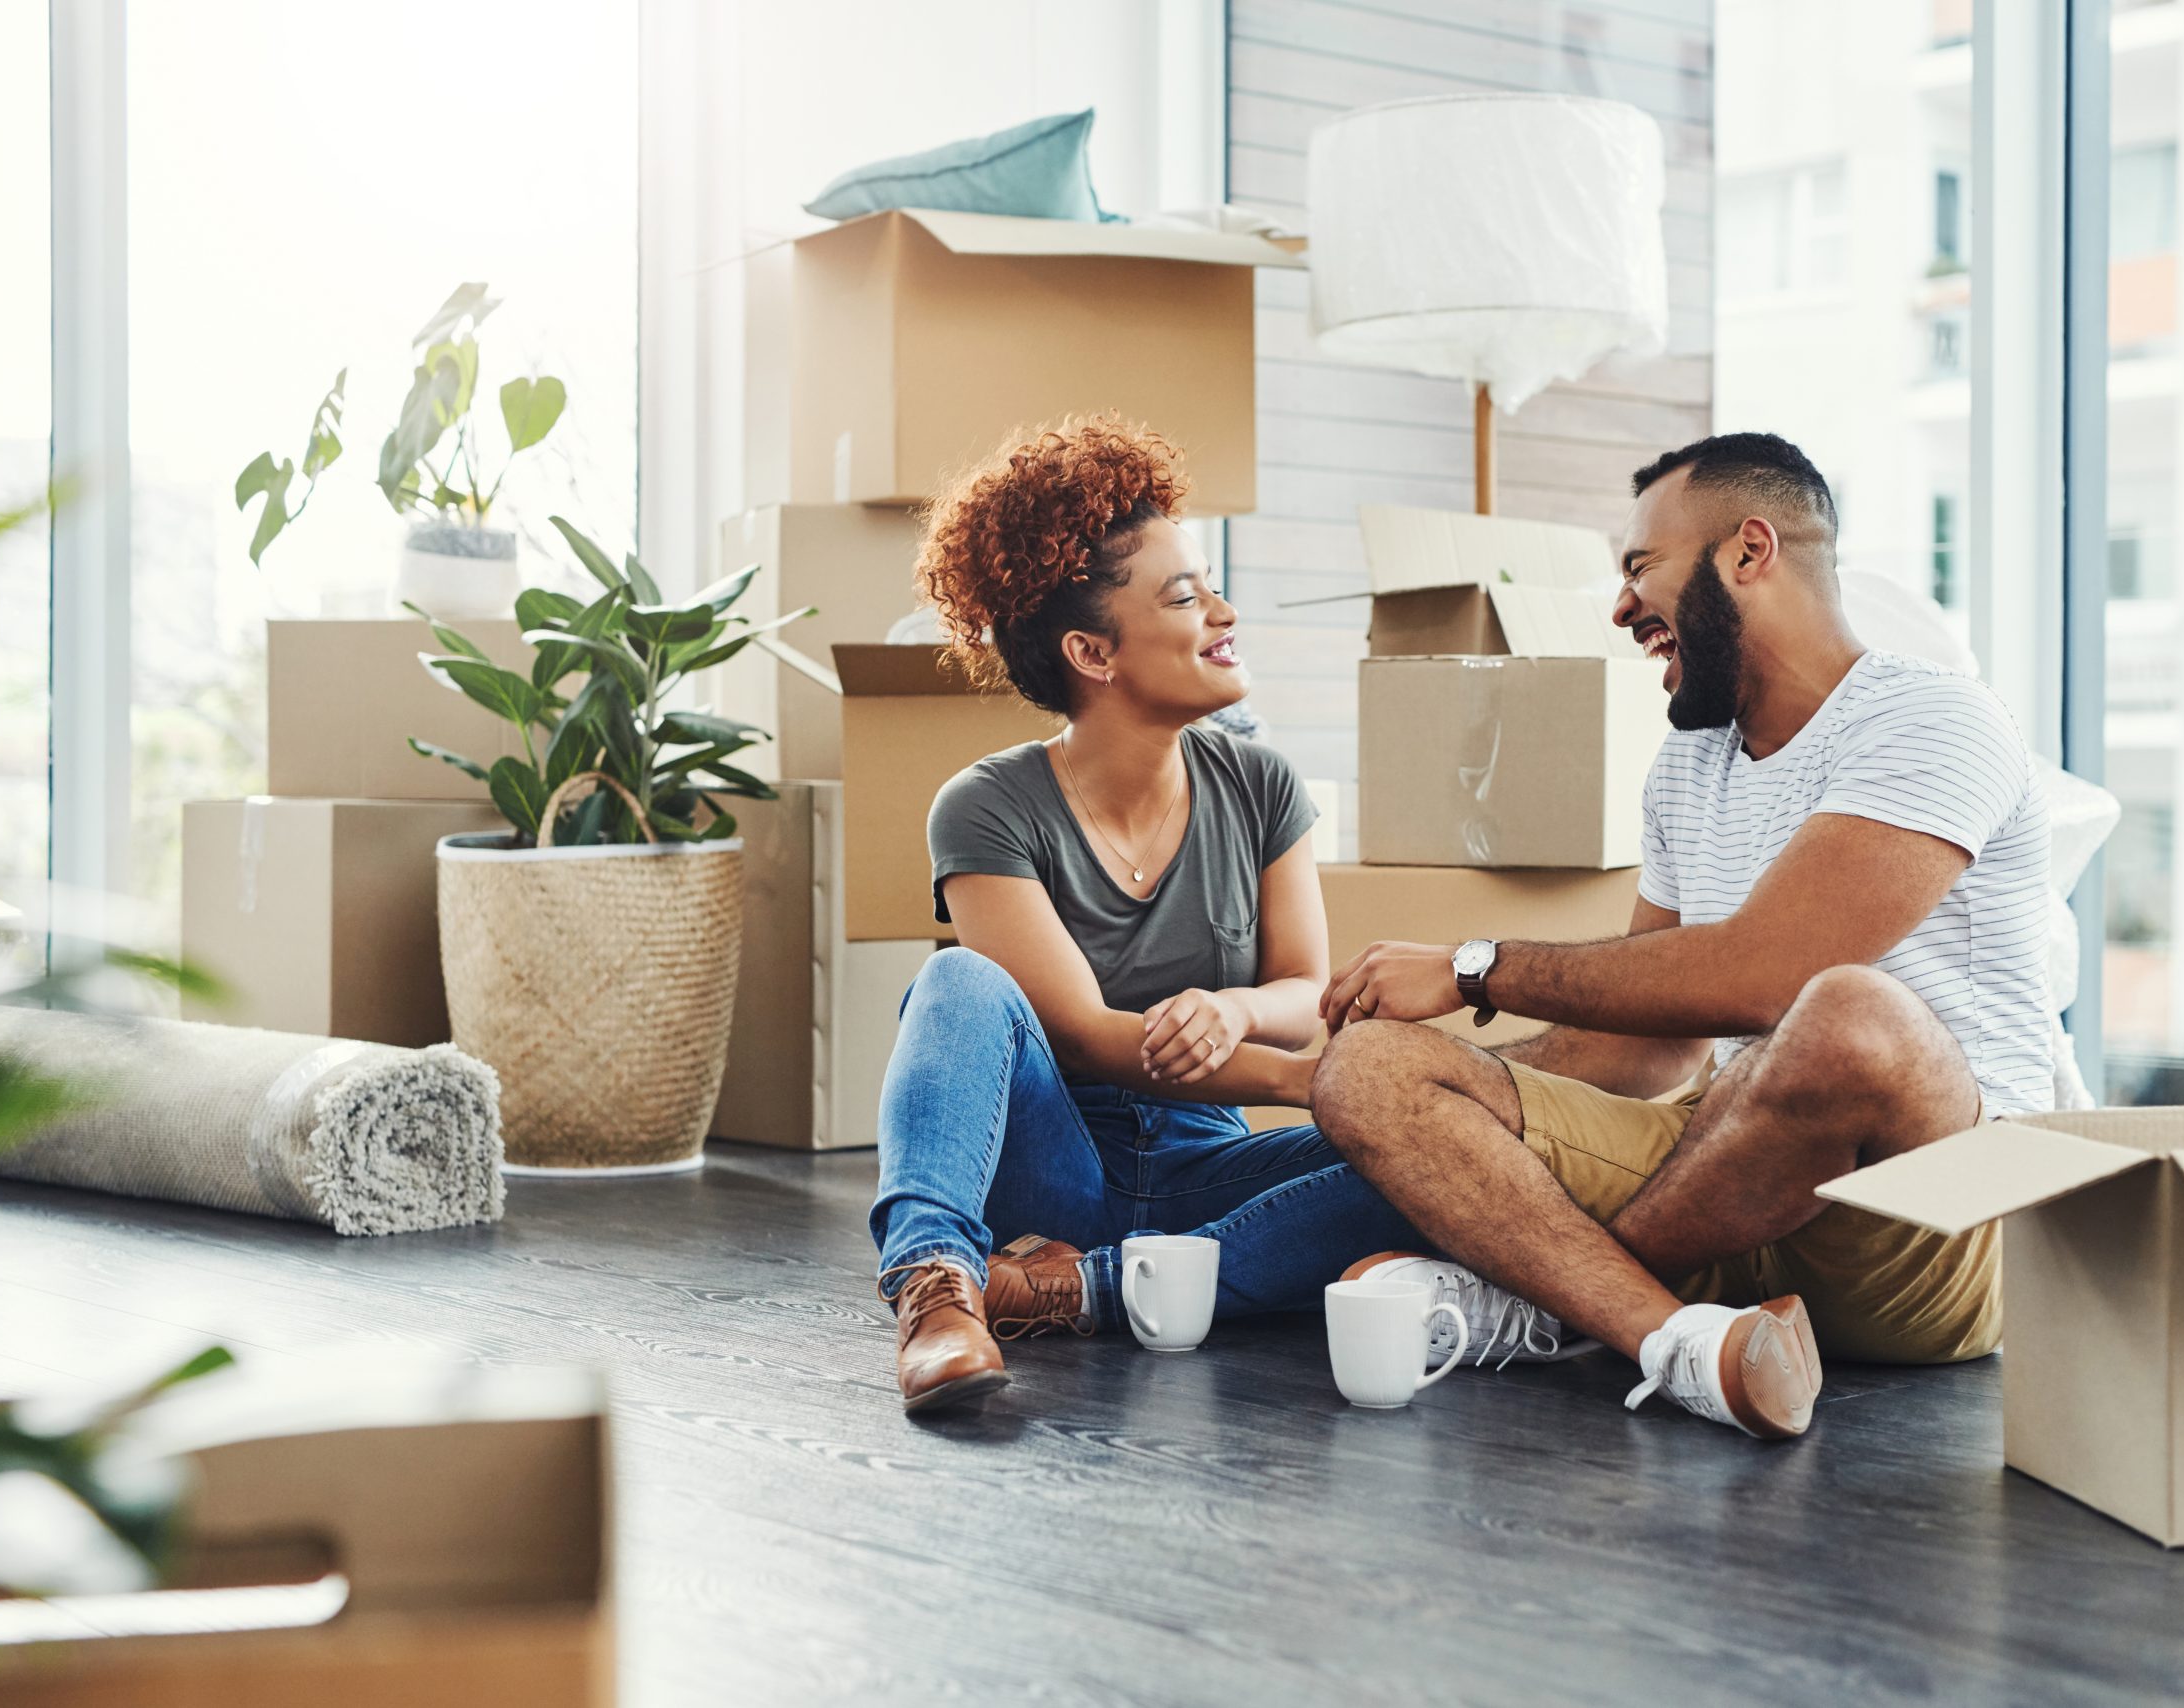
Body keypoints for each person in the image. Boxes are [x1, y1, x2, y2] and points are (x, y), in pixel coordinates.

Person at [1310, 431, 2050, 1442]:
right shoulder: (1687, 767)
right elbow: (1640, 1050)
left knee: (1848, 1014)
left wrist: (1474, 969)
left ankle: (1556, 1306)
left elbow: (1765, 980)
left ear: (1749, 553)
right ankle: (1676, 1340)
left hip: (1936, 1213)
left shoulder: (1932, 719)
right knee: (1370, 1072)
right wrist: (1441, 1087)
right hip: (1729, 1183)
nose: (1620, 606)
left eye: (1638, 568)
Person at [870, 416, 1419, 1414]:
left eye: (1208, 583)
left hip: (1208, 1155)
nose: (1221, 608)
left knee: (1437, 1162)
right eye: (1183, 595)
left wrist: (1240, 1012)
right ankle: (938, 1287)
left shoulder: (1259, 783)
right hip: (1054, 1164)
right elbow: (1079, 1037)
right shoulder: (984, 806)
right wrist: (1314, 1084)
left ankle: (1069, 1288)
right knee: (952, 979)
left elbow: (1303, 992)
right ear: (1092, 650)